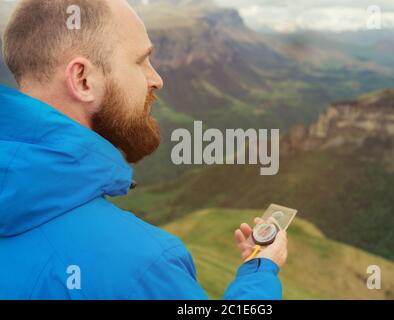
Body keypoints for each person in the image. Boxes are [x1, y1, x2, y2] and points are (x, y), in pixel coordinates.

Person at [0, 0, 288, 300]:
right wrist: (261, 270)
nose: (157, 80)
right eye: (141, 61)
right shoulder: (143, 267)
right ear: (83, 80)